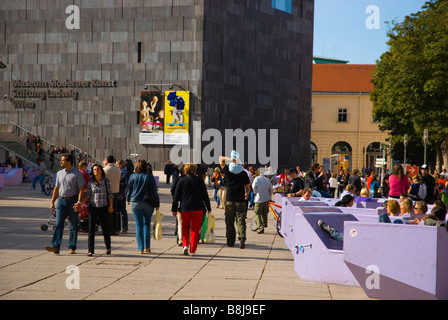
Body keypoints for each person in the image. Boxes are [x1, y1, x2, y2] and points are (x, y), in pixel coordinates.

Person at [45, 153, 86, 254]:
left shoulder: (77, 174)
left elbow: (81, 189)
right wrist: (52, 202)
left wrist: (79, 203)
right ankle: (55, 246)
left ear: (69, 162)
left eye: (63, 160)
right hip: (61, 201)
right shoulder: (59, 173)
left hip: (73, 201)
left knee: (73, 225)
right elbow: (56, 188)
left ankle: (72, 246)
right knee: (59, 223)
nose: (61, 162)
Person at [171, 163, 211, 256]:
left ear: (185, 170)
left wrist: (174, 209)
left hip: (185, 208)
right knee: (195, 230)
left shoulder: (181, 181)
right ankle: (192, 250)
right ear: (195, 171)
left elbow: (176, 196)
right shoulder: (200, 181)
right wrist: (208, 208)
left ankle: (185, 245)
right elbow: (205, 195)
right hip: (198, 208)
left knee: (185, 227)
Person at [75, 164, 114, 256]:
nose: (96, 171)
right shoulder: (91, 182)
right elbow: (88, 195)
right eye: (94, 169)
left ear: (101, 171)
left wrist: (110, 206)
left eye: (98, 169)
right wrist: (80, 203)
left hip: (104, 207)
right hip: (93, 207)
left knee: (105, 228)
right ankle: (90, 250)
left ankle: (108, 247)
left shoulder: (106, 181)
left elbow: (110, 195)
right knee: (91, 229)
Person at [126, 159, 160, 254]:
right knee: (147, 224)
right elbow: (154, 191)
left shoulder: (133, 176)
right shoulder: (150, 177)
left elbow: (129, 189)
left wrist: (128, 199)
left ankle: (140, 248)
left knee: (139, 225)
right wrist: (157, 204)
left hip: (136, 202)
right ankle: (147, 247)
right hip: (148, 203)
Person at [219, 151, 251, 248]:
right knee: (240, 220)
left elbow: (221, 158)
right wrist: (247, 193)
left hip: (229, 200)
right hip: (240, 200)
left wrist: (230, 159)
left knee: (229, 221)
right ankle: (242, 238)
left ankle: (230, 241)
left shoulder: (227, 171)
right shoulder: (243, 173)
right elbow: (248, 186)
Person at [252, 168, 273, 234]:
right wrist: (269, 196)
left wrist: (255, 192)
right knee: (264, 212)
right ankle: (264, 224)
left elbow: (253, 186)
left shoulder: (257, 178)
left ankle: (260, 227)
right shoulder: (267, 180)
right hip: (266, 198)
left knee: (257, 213)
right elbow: (271, 189)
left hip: (259, 198)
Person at [103, 155, 121, 235]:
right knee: (115, 210)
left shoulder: (105, 169)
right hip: (116, 191)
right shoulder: (118, 169)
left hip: (107, 192)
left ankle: (109, 228)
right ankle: (115, 228)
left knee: (108, 211)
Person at [117, 159, 131, 234]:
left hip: (122, 194)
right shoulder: (117, 172)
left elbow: (127, 184)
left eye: (117, 164)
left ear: (121, 165)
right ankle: (118, 227)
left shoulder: (125, 173)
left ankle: (124, 227)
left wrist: (118, 184)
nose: (116, 166)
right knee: (117, 211)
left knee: (123, 211)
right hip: (117, 193)